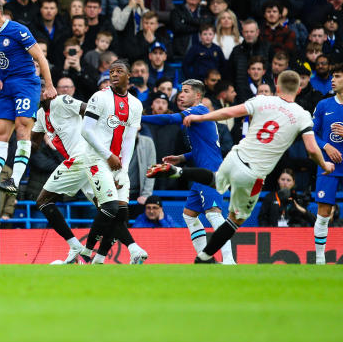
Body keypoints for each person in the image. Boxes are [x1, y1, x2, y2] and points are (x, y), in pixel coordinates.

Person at [150, 70, 334, 262]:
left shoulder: (262, 100)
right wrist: (324, 164)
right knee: (233, 221)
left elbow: (229, 112)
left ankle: (178, 172)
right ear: (298, 89)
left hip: (235, 157)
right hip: (253, 174)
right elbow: (312, 149)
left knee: (214, 181)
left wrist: (200, 117)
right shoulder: (302, 115)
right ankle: (215, 259)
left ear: (277, 86)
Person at [141, 79, 234, 263]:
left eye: (185, 91)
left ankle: (230, 261)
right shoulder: (197, 117)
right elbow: (205, 147)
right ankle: (205, 259)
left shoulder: (198, 110)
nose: (180, 95)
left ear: (198, 96)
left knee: (214, 214)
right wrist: (182, 158)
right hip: (200, 173)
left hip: (211, 173)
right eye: (180, 91)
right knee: (189, 215)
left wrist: (138, 118)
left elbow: (168, 119)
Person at [32, 87, 122, 265]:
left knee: (43, 201)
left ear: (49, 89)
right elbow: (33, 144)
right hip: (84, 162)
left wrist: (104, 143)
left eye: (42, 87)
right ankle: (130, 250)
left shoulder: (61, 101)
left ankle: (76, 247)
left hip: (82, 157)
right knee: (107, 208)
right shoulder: (41, 114)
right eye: (35, 88)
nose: (38, 91)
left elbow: (88, 109)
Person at [0, 0, 56, 195]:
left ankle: (15, 179)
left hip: (25, 84)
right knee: (0, 131)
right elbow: (0, 66)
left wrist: (49, 85)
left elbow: (40, 57)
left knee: (22, 126)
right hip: (8, 88)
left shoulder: (17, 29)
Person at [82, 60, 149, 264]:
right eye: (111, 71)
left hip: (118, 163)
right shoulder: (100, 97)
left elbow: (129, 139)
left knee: (121, 213)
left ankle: (99, 258)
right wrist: (108, 155)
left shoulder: (136, 105)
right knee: (110, 207)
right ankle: (86, 252)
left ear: (129, 76)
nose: (114, 74)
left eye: (119, 71)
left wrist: (124, 168)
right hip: (96, 159)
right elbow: (86, 130)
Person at [312, 64, 343, 264]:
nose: (332, 79)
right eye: (332, 76)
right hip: (328, 166)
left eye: (338, 76)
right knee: (323, 212)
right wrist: (326, 147)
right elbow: (311, 134)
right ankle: (319, 260)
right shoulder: (323, 105)